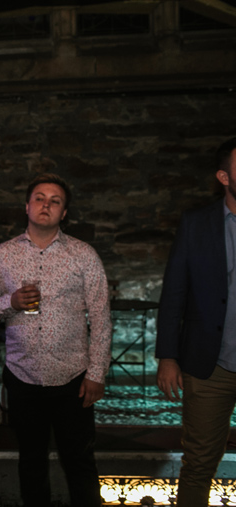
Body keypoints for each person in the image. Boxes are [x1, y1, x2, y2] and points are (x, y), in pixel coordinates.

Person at [0, 173, 111, 507]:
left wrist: (97, 373)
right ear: (27, 206)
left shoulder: (83, 255)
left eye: (55, 201)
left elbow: (100, 316)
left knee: (79, 459)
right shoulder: (4, 255)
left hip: (73, 377)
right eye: (40, 198)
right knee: (30, 460)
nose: (46, 205)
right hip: (23, 376)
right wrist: (10, 302)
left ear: (64, 213)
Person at [156, 137, 236, 507]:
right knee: (200, 462)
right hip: (210, 364)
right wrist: (168, 357)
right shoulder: (196, 223)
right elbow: (174, 292)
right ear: (224, 176)